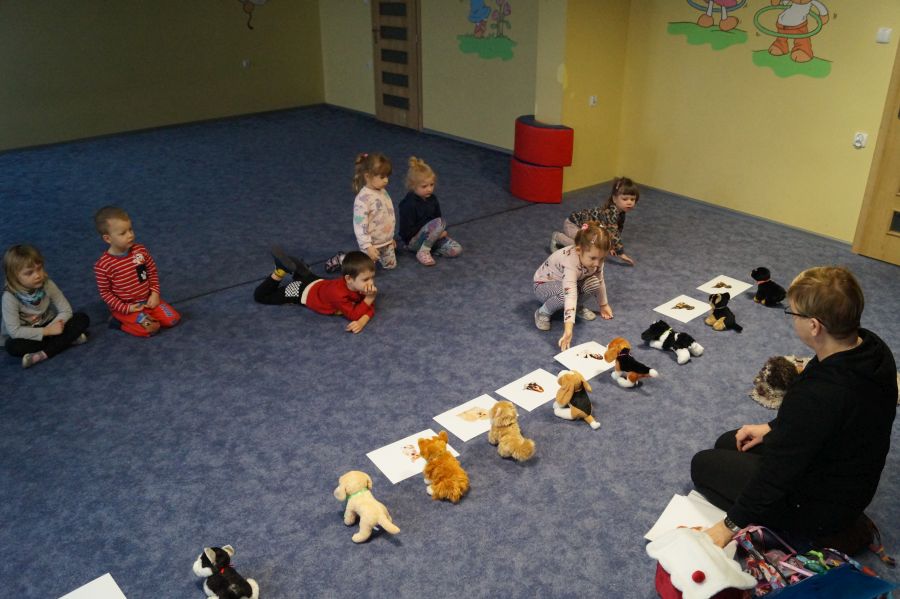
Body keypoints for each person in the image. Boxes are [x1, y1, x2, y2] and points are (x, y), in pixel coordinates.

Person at [692, 266, 897, 553]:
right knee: (729, 442)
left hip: (822, 506)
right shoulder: (872, 347)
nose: (791, 318)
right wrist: (772, 428)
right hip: (846, 473)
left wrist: (729, 526)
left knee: (702, 466)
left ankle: (825, 533)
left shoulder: (819, 395)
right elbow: (822, 423)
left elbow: (777, 474)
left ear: (814, 326)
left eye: (793, 313)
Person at [93, 206, 181, 337]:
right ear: (107, 239)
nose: (130, 235)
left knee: (173, 319)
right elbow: (106, 293)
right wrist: (126, 308)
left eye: (130, 229)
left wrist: (155, 293)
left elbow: (151, 273)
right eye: (123, 233)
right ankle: (118, 322)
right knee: (152, 328)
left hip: (148, 300)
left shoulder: (140, 251)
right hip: (128, 308)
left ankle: (146, 316)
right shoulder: (103, 266)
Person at [2, 244, 90, 368]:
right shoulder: (9, 297)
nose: (37, 275)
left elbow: (66, 310)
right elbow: (15, 331)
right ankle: (67, 340)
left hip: (50, 324)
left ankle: (42, 354)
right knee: (11, 346)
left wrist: (53, 327)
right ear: (14, 277)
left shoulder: (48, 284)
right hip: (29, 334)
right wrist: (47, 332)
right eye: (29, 273)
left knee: (82, 318)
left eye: (39, 268)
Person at [254, 247, 377, 334]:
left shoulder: (357, 285)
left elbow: (367, 306)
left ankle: (298, 268)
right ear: (349, 279)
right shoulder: (339, 295)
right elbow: (354, 314)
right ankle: (279, 271)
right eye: (366, 279)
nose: (371, 283)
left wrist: (362, 320)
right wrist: (369, 299)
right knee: (261, 296)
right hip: (302, 290)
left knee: (305, 275)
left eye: (372, 277)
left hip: (316, 280)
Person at [533, 221, 613, 351]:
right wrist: (568, 330)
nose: (597, 264)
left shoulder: (596, 258)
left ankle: (577, 306)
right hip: (543, 286)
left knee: (594, 282)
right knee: (566, 295)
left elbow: (600, 281)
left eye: (602, 259)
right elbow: (569, 295)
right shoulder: (570, 262)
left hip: (569, 285)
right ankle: (543, 312)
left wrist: (603, 305)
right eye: (593, 258)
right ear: (578, 250)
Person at [550, 176, 639, 266]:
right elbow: (614, 233)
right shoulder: (611, 213)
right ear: (614, 199)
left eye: (632, 199)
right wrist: (621, 253)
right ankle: (557, 237)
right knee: (584, 247)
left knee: (592, 244)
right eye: (625, 199)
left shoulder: (621, 213)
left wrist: (612, 246)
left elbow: (614, 232)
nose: (629, 202)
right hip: (572, 224)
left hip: (585, 228)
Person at [397, 156, 462, 266]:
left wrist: (438, 233)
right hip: (413, 241)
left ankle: (429, 248)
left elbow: (437, 217)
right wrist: (432, 233)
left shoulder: (433, 199)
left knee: (456, 249)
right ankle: (423, 251)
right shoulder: (408, 204)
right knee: (440, 222)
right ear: (413, 186)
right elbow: (406, 232)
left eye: (432, 185)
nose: (429, 189)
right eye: (424, 186)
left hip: (431, 237)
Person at [352, 152, 397, 270]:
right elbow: (359, 226)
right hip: (371, 245)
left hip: (386, 241)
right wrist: (367, 246)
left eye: (387, 176)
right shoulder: (362, 199)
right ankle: (343, 259)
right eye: (382, 177)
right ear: (367, 176)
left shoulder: (383, 191)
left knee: (391, 266)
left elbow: (387, 214)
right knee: (366, 271)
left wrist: (390, 237)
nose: (386, 180)